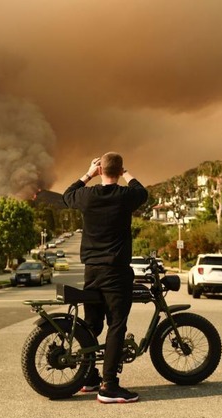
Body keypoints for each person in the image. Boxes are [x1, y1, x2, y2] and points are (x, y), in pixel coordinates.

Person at [63, 152, 148, 404]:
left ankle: (89, 377)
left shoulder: (87, 196)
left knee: (92, 325)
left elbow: (67, 194)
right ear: (119, 171)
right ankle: (109, 386)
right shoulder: (125, 197)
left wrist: (88, 173)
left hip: (92, 271)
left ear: (100, 171)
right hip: (115, 272)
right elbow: (142, 191)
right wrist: (126, 173)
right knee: (117, 325)